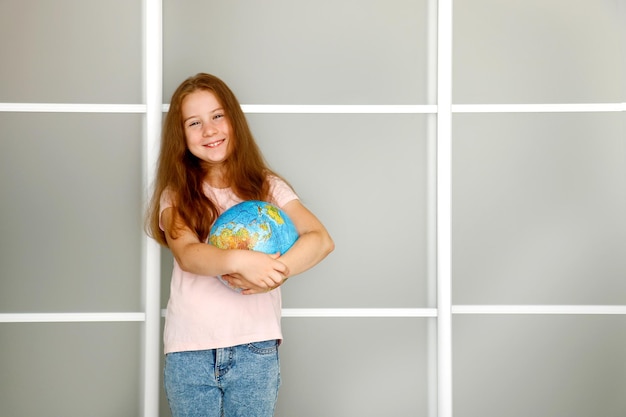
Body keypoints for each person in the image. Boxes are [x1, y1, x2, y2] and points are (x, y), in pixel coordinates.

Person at [145, 73, 334, 417]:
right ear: (181, 136)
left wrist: (275, 271)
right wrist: (243, 261)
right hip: (191, 351)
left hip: (255, 349)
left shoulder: (268, 187)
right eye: (194, 123)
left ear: (234, 120)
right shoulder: (176, 196)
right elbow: (189, 255)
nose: (210, 130)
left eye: (218, 116)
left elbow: (320, 240)